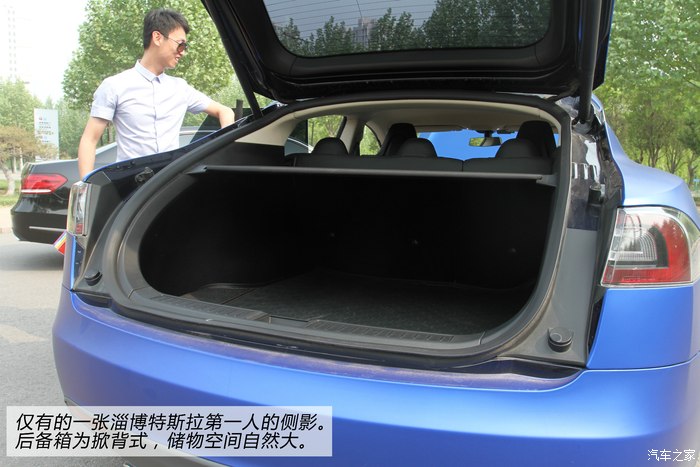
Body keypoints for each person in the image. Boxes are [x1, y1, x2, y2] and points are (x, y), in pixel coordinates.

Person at [78, 8, 235, 178]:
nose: (183, 52)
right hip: (131, 183)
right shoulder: (114, 86)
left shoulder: (181, 88)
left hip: (169, 183)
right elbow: (89, 140)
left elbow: (225, 111)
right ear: (157, 37)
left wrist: (225, 151)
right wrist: (85, 185)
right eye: (180, 44)